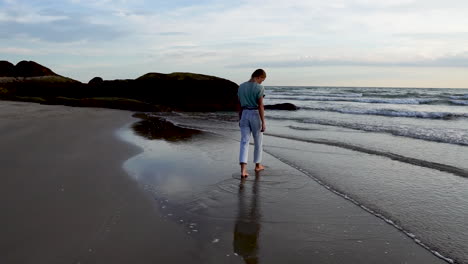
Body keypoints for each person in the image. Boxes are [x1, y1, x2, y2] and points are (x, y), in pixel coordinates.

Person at [238, 69, 267, 178]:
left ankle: (243, 170)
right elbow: (260, 105)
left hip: (244, 113)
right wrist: (263, 122)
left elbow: (239, 104)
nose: (261, 82)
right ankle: (257, 165)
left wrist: (240, 118)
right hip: (255, 114)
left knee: (244, 142)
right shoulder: (259, 88)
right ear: (259, 76)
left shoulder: (241, 86)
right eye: (262, 80)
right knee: (258, 141)